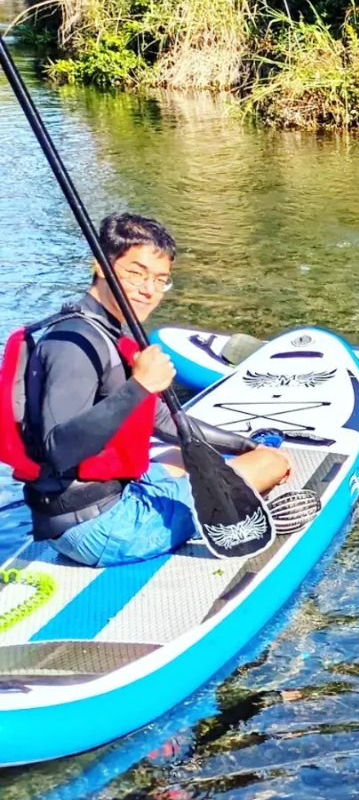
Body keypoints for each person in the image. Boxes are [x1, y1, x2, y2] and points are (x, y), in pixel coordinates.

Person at [6, 213, 292, 566]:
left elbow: (166, 422)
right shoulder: (75, 345)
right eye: (135, 273)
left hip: (99, 505)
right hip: (103, 530)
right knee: (271, 464)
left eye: (160, 279)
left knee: (184, 457)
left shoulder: (100, 328)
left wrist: (245, 445)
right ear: (101, 264)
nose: (148, 290)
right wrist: (140, 386)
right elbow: (59, 450)